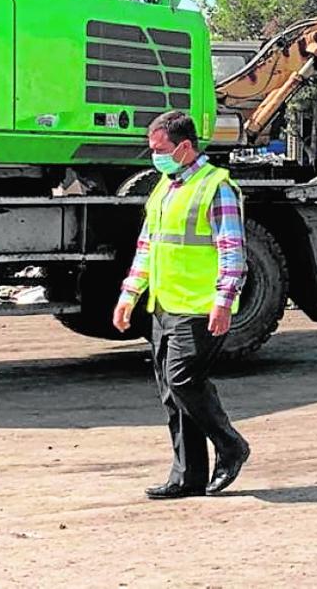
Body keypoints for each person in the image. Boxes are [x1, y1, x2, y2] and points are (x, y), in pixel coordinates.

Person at [112, 111, 250, 500]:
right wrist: (129, 295)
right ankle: (188, 475)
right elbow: (147, 246)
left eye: (160, 149)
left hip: (200, 307)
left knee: (183, 379)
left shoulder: (216, 187)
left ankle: (231, 446)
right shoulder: (165, 187)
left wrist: (223, 300)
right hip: (165, 305)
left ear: (185, 147)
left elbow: (232, 249)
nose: (154, 156)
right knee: (171, 392)